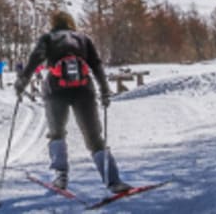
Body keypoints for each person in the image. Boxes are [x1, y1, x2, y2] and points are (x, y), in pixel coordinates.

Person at [14, 11, 132, 194]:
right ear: (71, 23)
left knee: (57, 132)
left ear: (53, 23)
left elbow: (33, 61)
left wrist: (21, 84)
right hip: (84, 90)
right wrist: (104, 90)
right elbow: (97, 64)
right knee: (94, 136)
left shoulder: (47, 38)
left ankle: (60, 176)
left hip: (56, 90)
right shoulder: (84, 39)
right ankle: (113, 180)